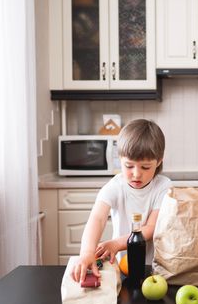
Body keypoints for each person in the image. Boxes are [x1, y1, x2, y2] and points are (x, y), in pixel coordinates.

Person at [72, 119, 171, 283]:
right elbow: (97, 217)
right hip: (120, 266)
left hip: (153, 269)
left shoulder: (163, 186)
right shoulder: (115, 186)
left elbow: (151, 228)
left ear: (159, 161)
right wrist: (87, 252)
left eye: (145, 167)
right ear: (119, 159)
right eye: (129, 166)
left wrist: (116, 243)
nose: (136, 174)